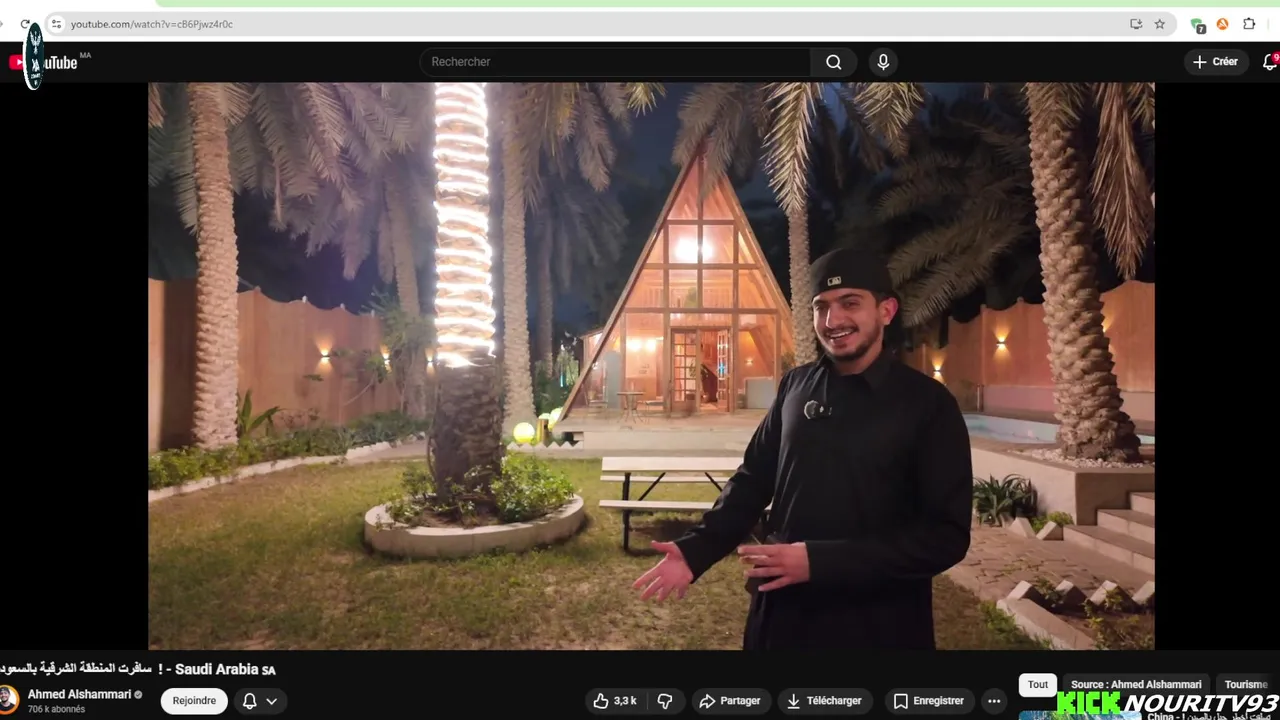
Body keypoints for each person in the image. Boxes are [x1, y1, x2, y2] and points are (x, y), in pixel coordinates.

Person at [632, 247, 973, 650]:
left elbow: (945, 537)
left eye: (850, 303)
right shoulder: (795, 387)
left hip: (879, 624)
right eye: (821, 307)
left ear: (886, 310)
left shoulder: (928, 404)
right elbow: (752, 480)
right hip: (783, 617)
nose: (833, 321)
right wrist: (696, 550)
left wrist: (820, 561)